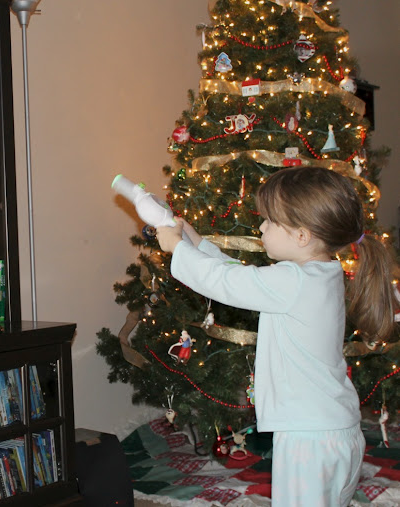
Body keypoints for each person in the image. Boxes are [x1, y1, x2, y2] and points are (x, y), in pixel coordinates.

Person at [155, 166, 398, 506]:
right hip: (333, 430)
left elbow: (226, 283)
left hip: (308, 440)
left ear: (302, 236)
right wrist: (196, 242)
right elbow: (240, 275)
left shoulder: (294, 281)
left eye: (269, 220)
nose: (261, 227)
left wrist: (177, 250)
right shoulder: (319, 274)